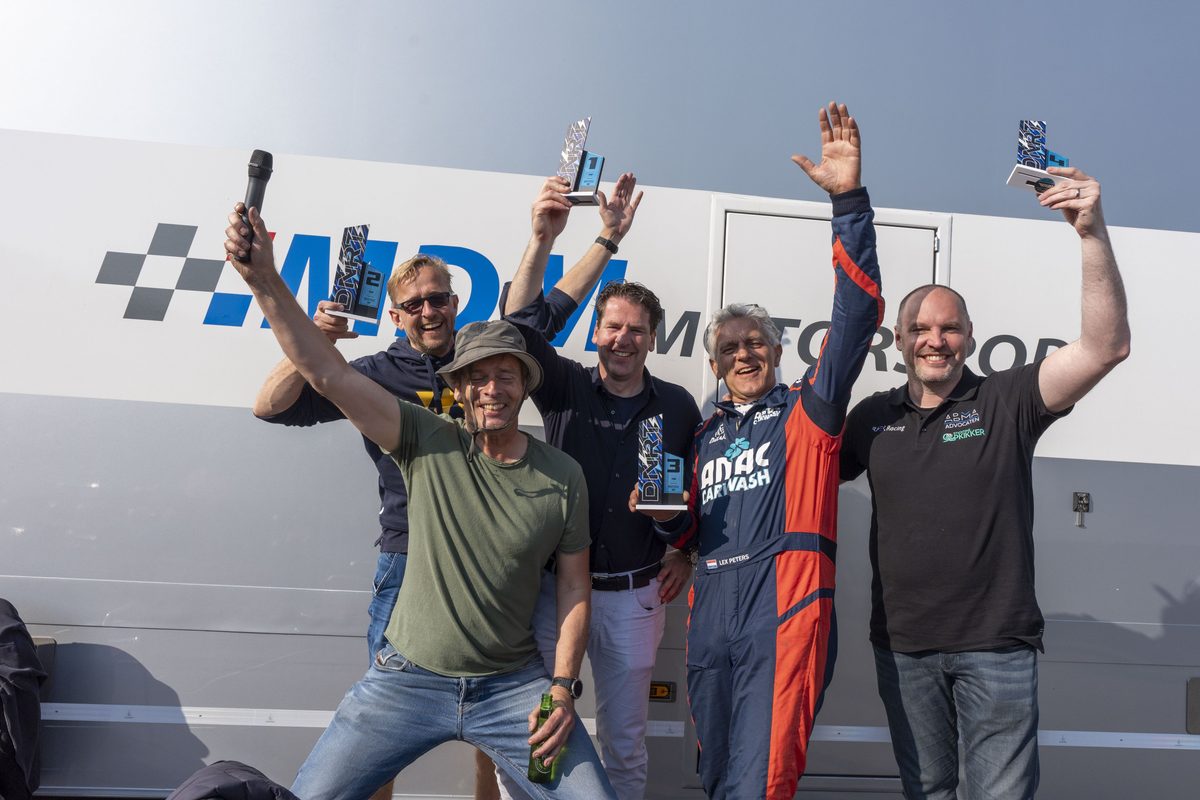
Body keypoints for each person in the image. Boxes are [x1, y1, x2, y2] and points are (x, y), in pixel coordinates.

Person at [223, 207, 617, 800]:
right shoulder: (421, 436)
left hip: (509, 685)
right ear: (458, 388)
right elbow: (323, 376)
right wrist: (264, 281)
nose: (492, 388)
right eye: (477, 378)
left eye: (505, 375)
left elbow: (573, 586)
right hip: (407, 657)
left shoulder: (561, 476)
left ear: (525, 383)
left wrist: (561, 687)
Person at [839, 167, 1129, 799]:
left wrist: (1091, 235)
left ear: (970, 337)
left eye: (949, 328)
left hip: (996, 647)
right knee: (928, 792)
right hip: (904, 648)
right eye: (921, 329)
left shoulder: (1008, 399)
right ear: (898, 340)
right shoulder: (871, 418)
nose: (935, 341)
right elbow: (798, 482)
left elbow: (1105, 347)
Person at [636, 101, 884, 799]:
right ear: (715, 364)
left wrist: (847, 203)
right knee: (717, 769)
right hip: (713, 603)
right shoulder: (702, 433)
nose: (743, 355)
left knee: (765, 773)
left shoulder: (810, 408)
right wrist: (664, 521)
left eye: (755, 344)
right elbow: (687, 531)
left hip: (787, 600)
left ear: (777, 351)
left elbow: (857, 315)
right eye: (729, 349)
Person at [500, 173, 700, 800]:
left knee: (625, 743)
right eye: (612, 327)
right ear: (595, 332)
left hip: (633, 599)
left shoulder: (679, 406)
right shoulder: (562, 385)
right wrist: (559, 238)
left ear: (653, 338)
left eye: (636, 330)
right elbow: (520, 327)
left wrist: (686, 549)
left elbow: (700, 495)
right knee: (532, 732)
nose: (622, 340)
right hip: (551, 595)